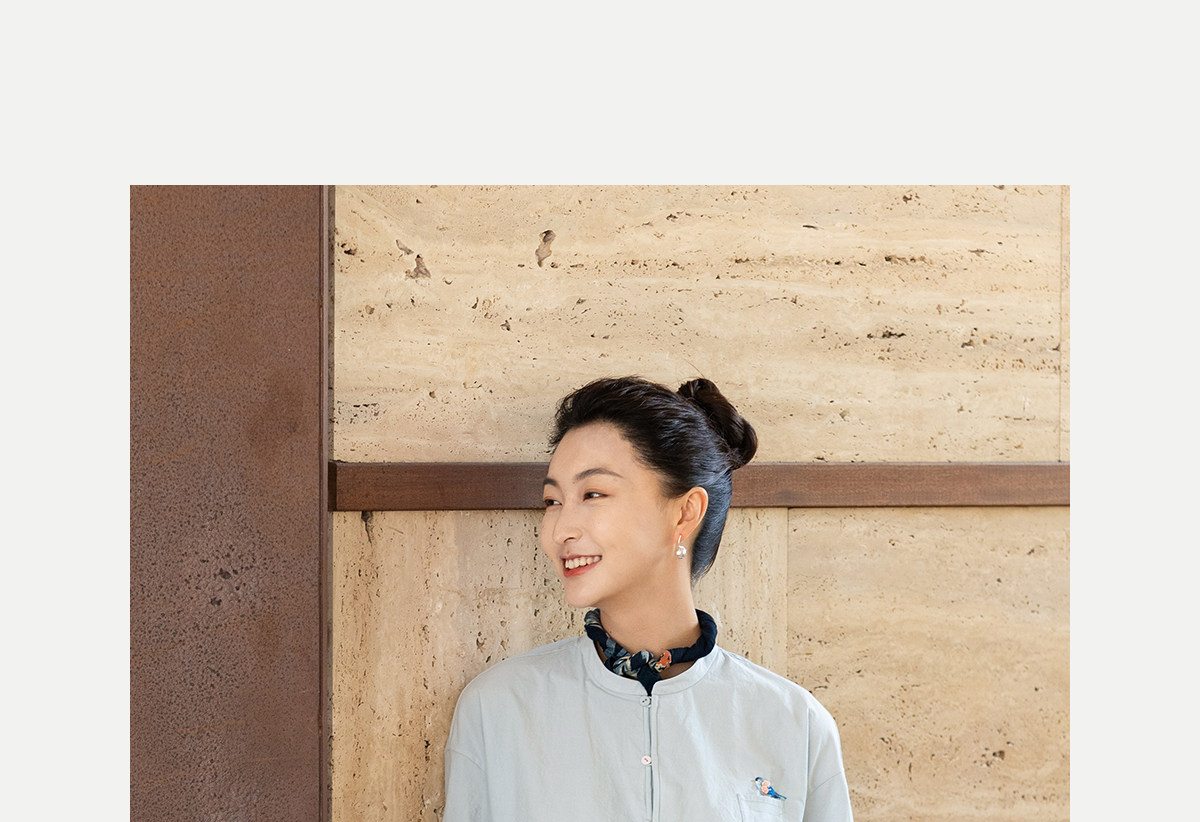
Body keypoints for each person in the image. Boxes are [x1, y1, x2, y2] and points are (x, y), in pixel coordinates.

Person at [443, 376, 853, 821]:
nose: (559, 531)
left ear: (684, 512)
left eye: (592, 494)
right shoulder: (497, 709)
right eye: (552, 501)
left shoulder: (795, 722)